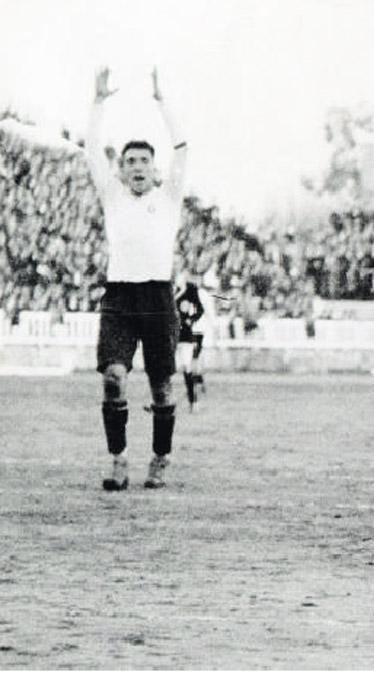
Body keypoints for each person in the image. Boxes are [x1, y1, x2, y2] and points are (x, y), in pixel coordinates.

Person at [86, 66, 188, 491]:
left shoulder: (168, 197)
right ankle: (118, 460)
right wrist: (98, 102)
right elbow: (92, 148)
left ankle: (160, 458)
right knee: (113, 377)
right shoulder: (112, 196)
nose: (138, 166)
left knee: (162, 386)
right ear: (122, 170)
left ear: (154, 167)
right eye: (130, 161)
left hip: (158, 297)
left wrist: (163, 102)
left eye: (145, 160)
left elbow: (181, 146)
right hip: (120, 298)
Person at [176, 274, 207, 412]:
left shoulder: (190, 289)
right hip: (168, 334)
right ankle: (161, 402)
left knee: (186, 367)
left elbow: (200, 309)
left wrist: (191, 319)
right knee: (164, 368)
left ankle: (193, 401)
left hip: (184, 334)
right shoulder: (165, 287)